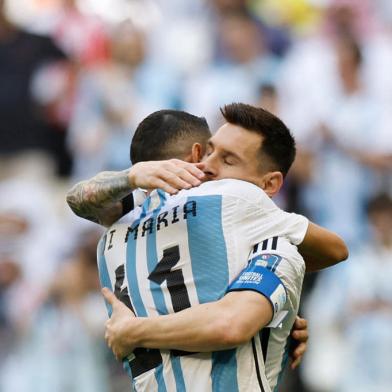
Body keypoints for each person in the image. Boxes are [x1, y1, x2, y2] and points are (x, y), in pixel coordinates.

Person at [67, 105, 347, 391]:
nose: (211, 165)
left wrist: (276, 305)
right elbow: (337, 249)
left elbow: (77, 199)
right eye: (211, 152)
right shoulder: (233, 198)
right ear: (197, 153)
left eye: (228, 159)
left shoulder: (112, 236)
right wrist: (281, 295)